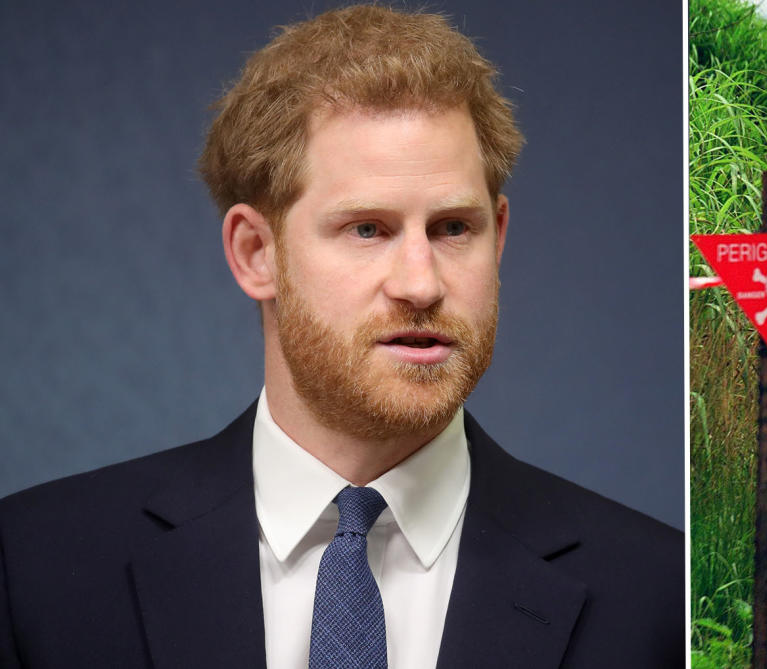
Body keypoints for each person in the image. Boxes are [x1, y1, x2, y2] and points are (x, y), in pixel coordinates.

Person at [0, 6, 682, 667]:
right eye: (367, 228)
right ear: (255, 252)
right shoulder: (35, 567)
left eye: (452, 228)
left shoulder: (657, 597)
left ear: (498, 236)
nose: (421, 283)